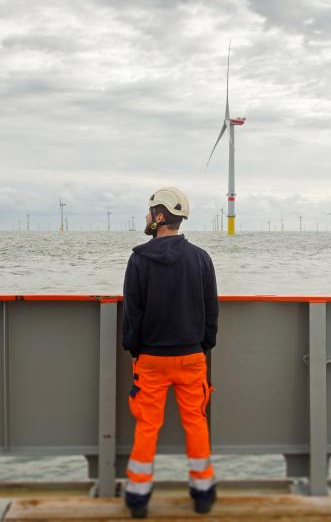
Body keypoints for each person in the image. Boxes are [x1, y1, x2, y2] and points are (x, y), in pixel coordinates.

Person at [122, 186, 219, 518]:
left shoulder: (139, 259)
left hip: (151, 359)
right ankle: (203, 493)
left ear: (159, 217)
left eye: (150, 211)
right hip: (192, 357)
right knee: (195, 422)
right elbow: (211, 309)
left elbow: (132, 312)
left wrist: (134, 349)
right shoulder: (202, 258)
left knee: (148, 426)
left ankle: (137, 498)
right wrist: (204, 346)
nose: (147, 217)